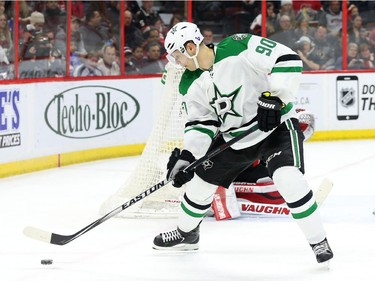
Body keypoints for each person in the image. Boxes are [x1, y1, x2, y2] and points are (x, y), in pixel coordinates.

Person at [152, 22, 333, 264]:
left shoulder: (238, 45)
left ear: (190, 46)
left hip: (275, 127)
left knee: (288, 179)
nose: (177, 62)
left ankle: (318, 241)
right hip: (235, 138)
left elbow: (287, 59)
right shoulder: (189, 82)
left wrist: (275, 98)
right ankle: (187, 234)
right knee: (199, 186)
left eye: (178, 55)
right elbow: (201, 123)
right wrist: (188, 156)